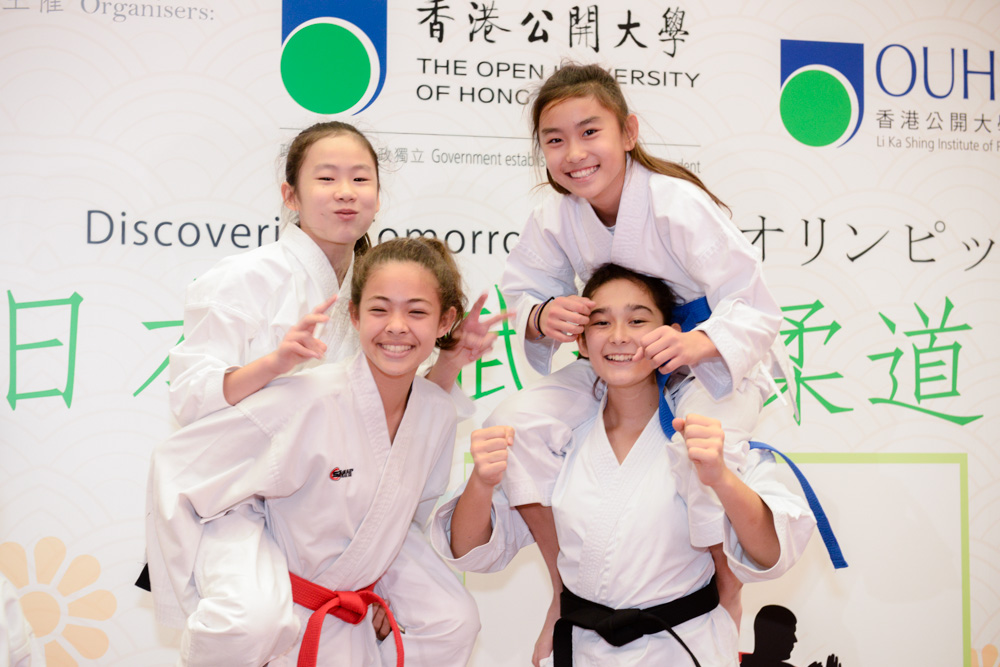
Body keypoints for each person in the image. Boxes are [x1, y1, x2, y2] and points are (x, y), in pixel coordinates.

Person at [147, 122, 499, 665]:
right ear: (290, 195)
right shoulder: (247, 277)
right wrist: (274, 364)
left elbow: (395, 421)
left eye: (360, 178)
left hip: (346, 499)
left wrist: (448, 358)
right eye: (326, 178)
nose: (344, 192)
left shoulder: (377, 279)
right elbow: (192, 399)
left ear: (378, 195)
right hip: (252, 490)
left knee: (451, 619)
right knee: (250, 623)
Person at [489, 63, 792, 661]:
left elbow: (754, 305)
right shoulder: (554, 216)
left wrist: (698, 343)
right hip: (623, 355)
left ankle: (725, 590)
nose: (575, 153)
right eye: (555, 139)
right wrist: (542, 314)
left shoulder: (676, 202)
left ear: (628, 132)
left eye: (590, 132)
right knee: (515, 423)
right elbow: (521, 294)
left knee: (702, 448)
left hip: (706, 359)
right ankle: (562, 588)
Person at [432, 264, 815, 666]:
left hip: (682, 649)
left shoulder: (705, 437)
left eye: (637, 320)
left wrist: (720, 478)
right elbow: (468, 547)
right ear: (581, 341)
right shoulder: (556, 441)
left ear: (671, 335)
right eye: (601, 322)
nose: (618, 336)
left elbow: (770, 552)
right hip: (582, 650)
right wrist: (480, 483)